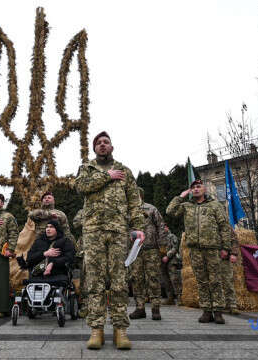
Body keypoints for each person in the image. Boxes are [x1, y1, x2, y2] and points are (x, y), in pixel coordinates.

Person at [74, 131, 145, 350]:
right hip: (93, 231)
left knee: (119, 281)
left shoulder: (125, 171)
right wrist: (107, 177)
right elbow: (80, 187)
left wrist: (138, 228)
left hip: (118, 232)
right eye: (98, 143)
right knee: (94, 280)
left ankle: (119, 329)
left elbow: (134, 201)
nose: (102, 145)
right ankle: (96, 330)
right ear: (94, 148)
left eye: (106, 142)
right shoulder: (86, 168)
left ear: (112, 147)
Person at [167, 179, 230, 324]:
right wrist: (181, 196)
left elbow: (224, 227)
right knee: (201, 281)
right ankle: (206, 310)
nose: (196, 189)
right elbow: (170, 211)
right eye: (193, 187)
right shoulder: (186, 206)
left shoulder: (214, 205)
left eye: (199, 187)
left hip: (212, 248)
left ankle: (218, 311)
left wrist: (226, 248)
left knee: (215, 280)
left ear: (204, 189)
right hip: (195, 249)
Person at [129, 188, 168, 321]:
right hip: (134, 251)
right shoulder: (127, 211)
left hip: (151, 249)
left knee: (153, 278)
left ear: (140, 195)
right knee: (136, 279)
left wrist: (163, 246)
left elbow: (161, 226)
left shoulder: (151, 209)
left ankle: (155, 308)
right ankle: (140, 308)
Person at [72, 208, 88, 318]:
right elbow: (76, 223)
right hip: (86, 245)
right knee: (85, 277)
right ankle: (85, 306)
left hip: (106, 245)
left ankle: (111, 309)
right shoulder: (82, 211)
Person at [219, 229, 239, 314]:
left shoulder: (225, 225)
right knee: (214, 282)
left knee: (228, 281)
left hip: (224, 259)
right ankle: (219, 305)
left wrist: (233, 253)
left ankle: (232, 305)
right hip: (211, 258)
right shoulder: (206, 223)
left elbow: (234, 239)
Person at [161, 227, 181, 305]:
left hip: (171, 260)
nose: (163, 229)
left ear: (167, 228)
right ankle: (170, 298)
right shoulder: (160, 237)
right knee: (166, 281)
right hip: (162, 261)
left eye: (164, 227)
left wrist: (168, 256)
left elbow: (175, 248)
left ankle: (180, 299)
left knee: (174, 280)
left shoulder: (172, 236)